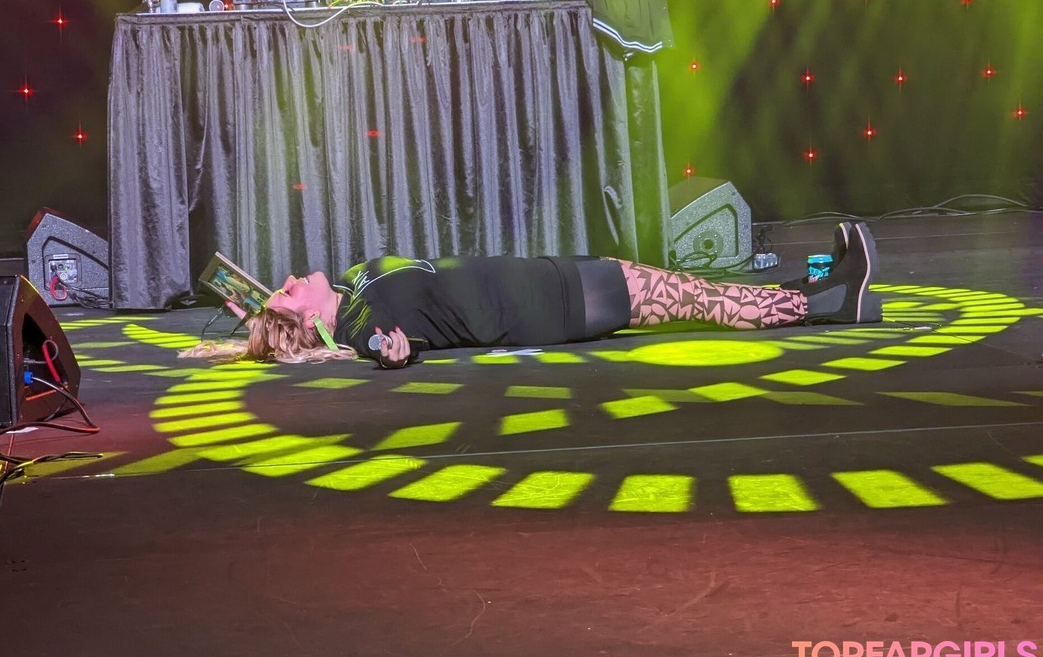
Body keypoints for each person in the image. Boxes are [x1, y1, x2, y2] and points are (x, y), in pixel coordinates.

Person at [182, 223, 883, 369]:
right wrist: (389, 353)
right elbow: (380, 345)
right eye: (286, 292)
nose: (289, 279)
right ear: (305, 318)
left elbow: (305, 316)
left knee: (695, 293)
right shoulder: (364, 317)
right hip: (551, 304)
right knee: (699, 300)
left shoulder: (354, 283)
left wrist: (256, 313)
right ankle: (828, 302)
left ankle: (814, 293)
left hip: (545, 278)